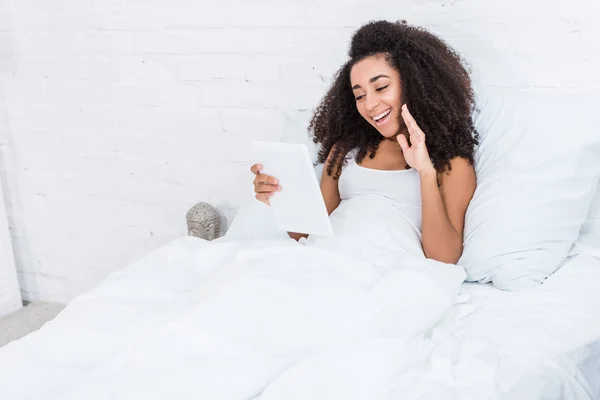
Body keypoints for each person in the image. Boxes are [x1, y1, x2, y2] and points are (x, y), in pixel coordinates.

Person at [250, 20, 478, 265]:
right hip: (323, 262)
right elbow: (306, 235)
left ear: (413, 83)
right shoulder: (344, 151)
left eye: (381, 87)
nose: (369, 105)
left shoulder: (450, 163)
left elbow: (443, 259)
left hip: (387, 273)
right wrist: (280, 197)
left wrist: (425, 172)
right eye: (359, 95)